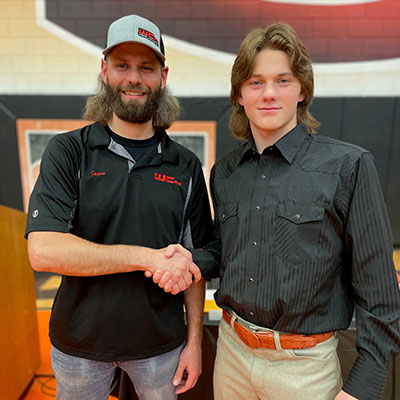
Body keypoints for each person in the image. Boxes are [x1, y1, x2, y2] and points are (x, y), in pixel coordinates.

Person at [172, 23, 400, 400]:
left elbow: (379, 292)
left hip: (304, 370)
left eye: (283, 80)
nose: (269, 94)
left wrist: (362, 388)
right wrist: (188, 260)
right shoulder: (225, 172)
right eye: (255, 82)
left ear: (302, 90)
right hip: (231, 355)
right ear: (239, 95)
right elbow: (226, 251)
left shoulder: (348, 166)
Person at [25, 14, 213, 400]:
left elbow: (193, 263)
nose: (134, 78)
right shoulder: (68, 151)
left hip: (161, 348)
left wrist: (194, 342)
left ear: (163, 76)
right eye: (122, 65)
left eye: (146, 68)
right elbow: (43, 250)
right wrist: (149, 258)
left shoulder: (186, 166)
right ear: (104, 70)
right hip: (79, 347)